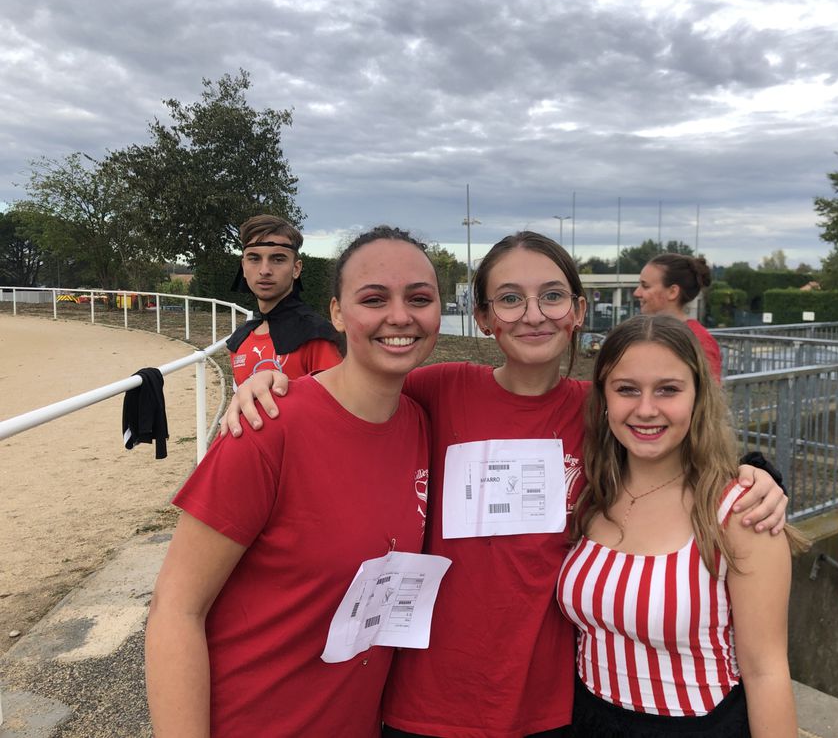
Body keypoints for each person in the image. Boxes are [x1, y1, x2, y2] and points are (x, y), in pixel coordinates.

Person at [224, 231, 788, 737]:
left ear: (577, 310)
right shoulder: (436, 389)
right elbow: (355, 393)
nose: (532, 314)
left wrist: (756, 474)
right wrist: (275, 384)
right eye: (510, 298)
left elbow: (673, 448)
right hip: (421, 702)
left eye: (551, 295)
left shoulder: (599, 413)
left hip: (551, 707)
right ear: (484, 317)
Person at [145, 226, 441, 736]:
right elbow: (175, 610)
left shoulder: (421, 422)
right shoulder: (266, 426)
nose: (400, 316)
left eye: (420, 298)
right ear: (336, 314)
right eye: (374, 298)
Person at [558, 315, 802, 737]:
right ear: (604, 399)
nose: (646, 409)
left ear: (698, 397)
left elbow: (767, 673)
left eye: (668, 389)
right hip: (588, 719)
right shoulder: (590, 493)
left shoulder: (741, 513)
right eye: (627, 389)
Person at [225, 214, 342, 389]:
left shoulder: (318, 337)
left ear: (296, 269)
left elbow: (338, 408)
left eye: (278, 259)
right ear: (243, 267)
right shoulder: (239, 340)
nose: (265, 270)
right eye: (254, 258)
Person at [632, 253, 722, 382]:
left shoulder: (699, 341)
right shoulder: (644, 331)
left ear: (672, 292)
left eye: (645, 286)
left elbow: (708, 396)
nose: (636, 293)